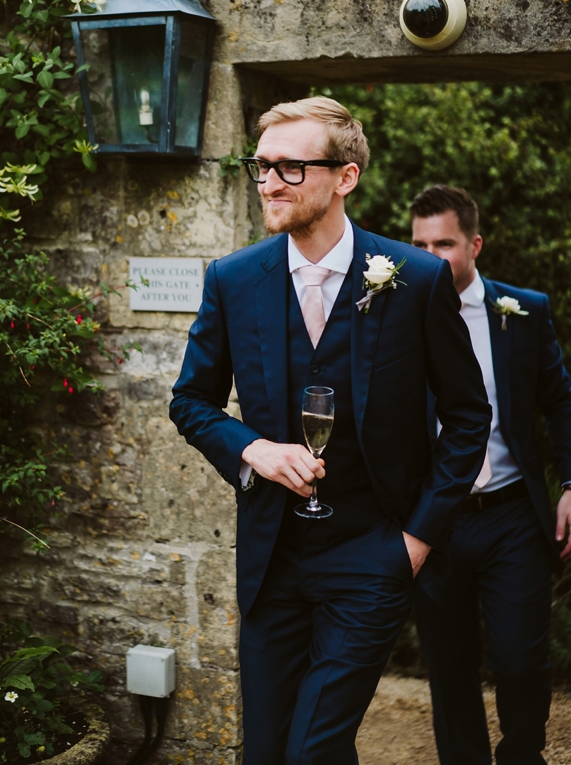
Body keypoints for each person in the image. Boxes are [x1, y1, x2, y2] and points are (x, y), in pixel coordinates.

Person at [168, 97, 491, 765]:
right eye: (260, 168)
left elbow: (467, 417)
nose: (268, 183)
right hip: (272, 561)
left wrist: (415, 540)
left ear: (344, 177)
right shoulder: (232, 279)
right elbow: (191, 402)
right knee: (269, 753)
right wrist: (251, 448)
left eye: (290, 167)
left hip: (372, 555)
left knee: (310, 750)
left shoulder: (417, 278)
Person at [410, 184, 571, 765]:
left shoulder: (522, 313)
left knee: (521, 661)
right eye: (419, 244)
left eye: (444, 243)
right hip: (435, 518)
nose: (430, 257)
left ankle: (523, 757)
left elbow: (561, 400)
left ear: (474, 245)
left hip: (510, 516)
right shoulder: (392, 315)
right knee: (449, 668)